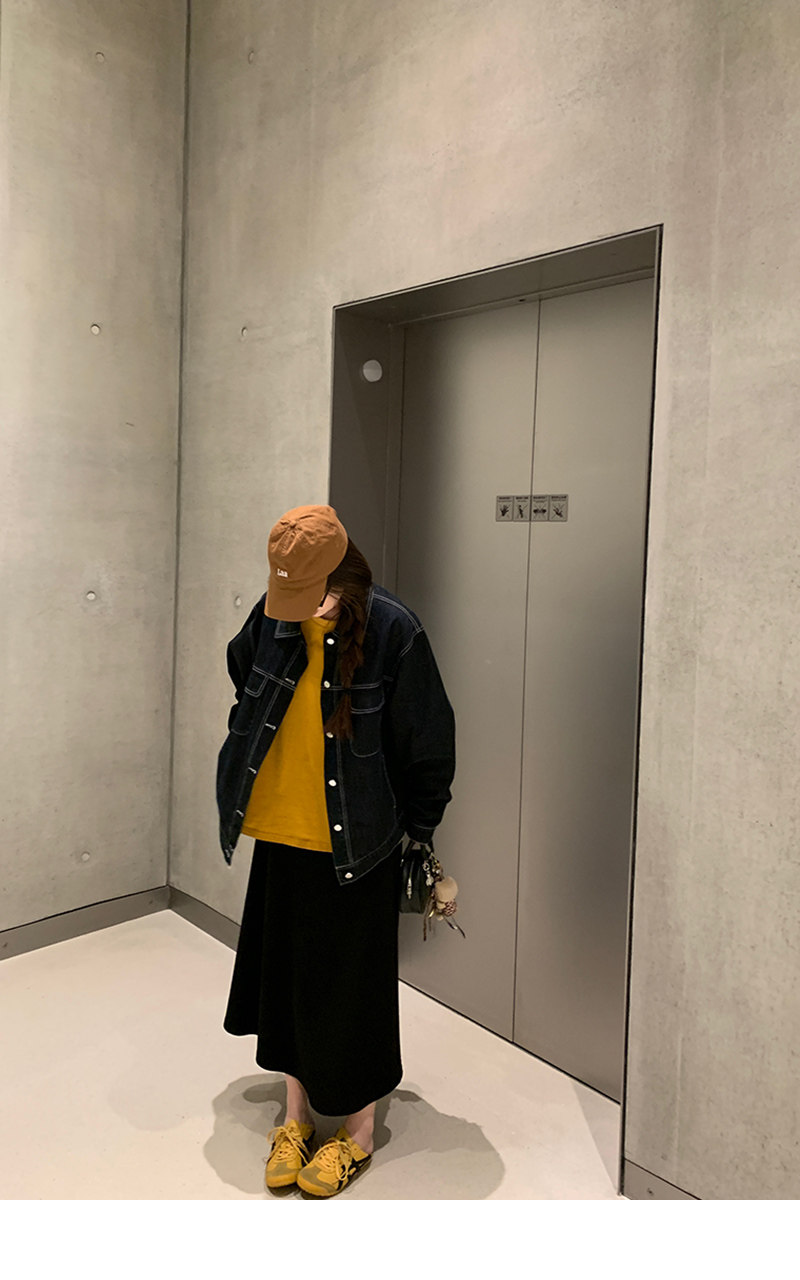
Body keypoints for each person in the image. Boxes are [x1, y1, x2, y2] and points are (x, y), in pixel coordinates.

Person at [217, 504, 456, 1197]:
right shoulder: (274, 614)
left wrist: (421, 830)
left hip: (359, 841)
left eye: (311, 595)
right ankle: (295, 1116)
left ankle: (357, 1131)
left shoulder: (393, 629)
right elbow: (242, 670)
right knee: (289, 983)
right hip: (281, 831)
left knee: (354, 993)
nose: (297, 608)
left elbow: (429, 738)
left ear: (343, 578)